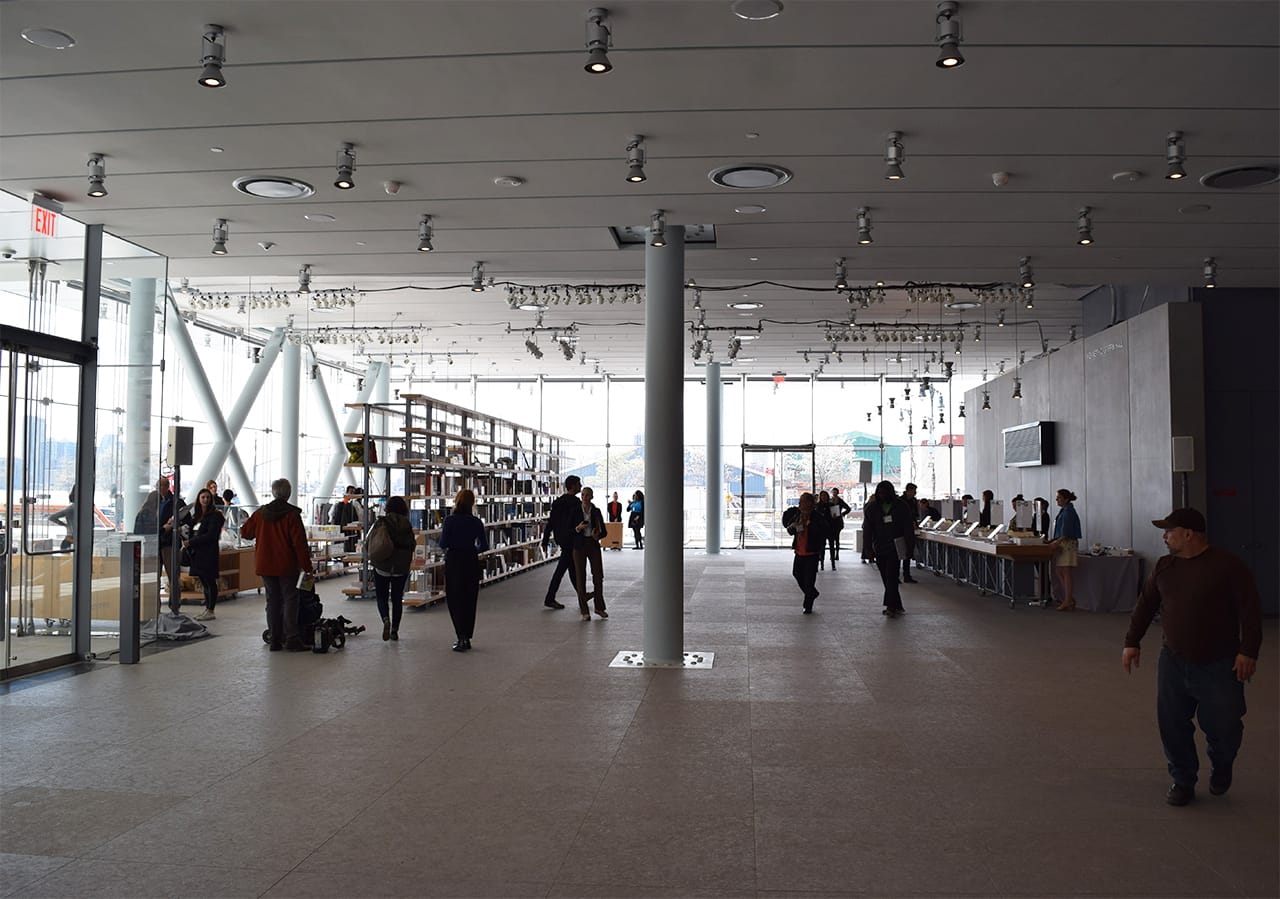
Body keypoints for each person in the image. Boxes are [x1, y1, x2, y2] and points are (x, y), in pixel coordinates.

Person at [1122, 508, 1262, 807]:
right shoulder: (1164, 566)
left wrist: (1248, 651)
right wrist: (1131, 642)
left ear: (1188, 534)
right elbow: (1146, 605)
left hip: (1220, 663)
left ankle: (1222, 766)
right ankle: (1182, 780)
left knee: (1225, 727)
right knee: (1172, 725)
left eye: (1169, 531)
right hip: (1173, 660)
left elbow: (1250, 612)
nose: (1164, 536)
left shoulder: (1228, 566)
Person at [240, 478, 313, 652]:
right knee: (290, 599)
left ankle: (275, 638)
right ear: (289, 493)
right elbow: (299, 544)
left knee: (272, 600)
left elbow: (245, 532)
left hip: (265, 564)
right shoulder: (292, 515)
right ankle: (292, 638)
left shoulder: (260, 513)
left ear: (273, 492)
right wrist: (307, 567)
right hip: (286, 565)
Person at [438, 488, 486, 651]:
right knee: (469, 599)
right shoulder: (476, 522)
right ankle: (467, 636)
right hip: (471, 560)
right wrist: (472, 550)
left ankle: (461, 637)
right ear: (472, 503)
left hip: (454, 560)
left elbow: (443, 543)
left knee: (454, 599)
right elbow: (484, 545)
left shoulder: (450, 521)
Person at [862, 480, 912, 618]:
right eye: (880, 492)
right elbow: (867, 529)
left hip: (896, 546)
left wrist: (910, 547)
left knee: (892, 576)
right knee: (886, 576)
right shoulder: (872, 508)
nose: (882, 494)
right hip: (879, 546)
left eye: (884, 492)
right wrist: (868, 549)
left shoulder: (901, 506)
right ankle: (897, 604)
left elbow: (908, 528)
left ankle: (890, 606)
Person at [372, 495, 417, 642]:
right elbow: (412, 545)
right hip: (401, 566)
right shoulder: (407, 524)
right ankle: (394, 631)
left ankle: (385, 619)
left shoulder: (382, 522)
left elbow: (372, 540)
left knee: (381, 596)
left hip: (383, 564)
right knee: (397, 598)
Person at [782, 492, 829, 613]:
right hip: (799, 551)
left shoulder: (817, 517)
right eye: (800, 501)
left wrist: (810, 525)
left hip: (811, 553)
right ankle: (812, 593)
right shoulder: (798, 515)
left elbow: (823, 531)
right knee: (797, 574)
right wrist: (794, 526)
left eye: (803, 502)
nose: (801, 504)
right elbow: (790, 530)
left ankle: (808, 605)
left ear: (810, 503)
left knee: (809, 580)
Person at [540, 475, 581, 609]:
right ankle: (550, 598)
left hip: (561, 539)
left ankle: (582, 596)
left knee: (571, 569)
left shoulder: (558, 502)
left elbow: (550, 522)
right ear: (573, 485)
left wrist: (545, 540)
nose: (580, 486)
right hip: (571, 538)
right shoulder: (576, 503)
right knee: (564, 570)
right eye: (578, 484)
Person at [185, 488, 225, 621]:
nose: (205, 500)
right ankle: (207, 608)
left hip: (208, 553)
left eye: (208, 497)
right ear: (199, 499)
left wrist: (191, 542)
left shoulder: (215, 516)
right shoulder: (196, 516)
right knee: (203, 580)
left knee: (210, 580)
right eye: (203, 497)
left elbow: (211, 535)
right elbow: (190, 529)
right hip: (197, 553)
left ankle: (210, 609)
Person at [572, 486, 608, 621]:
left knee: (598, 576)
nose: (584, 498)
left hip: (593, 544)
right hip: (579, 546)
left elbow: (604, 532)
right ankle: (584, 611)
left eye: (587, 495)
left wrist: (597, 536)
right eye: (582, 495)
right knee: (580, 577)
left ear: (592, 497)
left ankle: (599, 607)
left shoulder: (596, 512)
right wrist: (578, 528)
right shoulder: (575, 511)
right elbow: (569, 529)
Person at [1047, 488, 1082, 611]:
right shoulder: (1064, 511)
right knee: (1059, 571)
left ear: (1066, 499)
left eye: (1059, 497)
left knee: (1066, 572)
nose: (1057, 500)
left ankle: (1068, 600)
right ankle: (1069, 598)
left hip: (1067, 544)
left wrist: (1056, 542)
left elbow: (1066, 532)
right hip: (1063, 543)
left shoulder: (1068, 512)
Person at [332, 485, 362, 552]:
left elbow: (356, 518)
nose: (352, 494)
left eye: (353, 492)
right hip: (342, 529)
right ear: (347, 492)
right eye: (351, 492)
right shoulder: (340, 505)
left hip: (349, 530)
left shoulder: (352, 505)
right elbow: (336, 519)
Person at [827, 487, 851, 569]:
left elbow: (848, 508)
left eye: (835, 492)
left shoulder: (840, 501)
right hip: (831, 521)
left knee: (836, 538)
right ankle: (833, 554)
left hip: (837, 522)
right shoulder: (829, 500)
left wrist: (842, 514)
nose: (834, 494)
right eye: (833, 492)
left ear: (837, 493)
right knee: (831, 538)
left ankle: (836, 553)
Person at [900, 483, 920, 583]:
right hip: (901, 530)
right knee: (900, 552)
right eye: (913, 491)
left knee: (908, 552)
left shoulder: (914, 501)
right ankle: (896, 575)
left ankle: (906, 575)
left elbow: (915, 514)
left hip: (910, 530)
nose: (915, 493)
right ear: (908, 490)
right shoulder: (900, 501)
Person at [47, 485, 77, 551]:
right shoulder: (74, 508)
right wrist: (65, 525)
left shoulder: (71, 508)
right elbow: (51, 517)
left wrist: (65, 525)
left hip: (70, 536)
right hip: (75, 537)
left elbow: (52, 517)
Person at [815, 491, 833, 571]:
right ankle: (821, 563)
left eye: (825, 496)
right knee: (822, 547)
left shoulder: (831, 505)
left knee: (832, 546)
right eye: (822, 496)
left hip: (830, 528)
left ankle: (833, 563)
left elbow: (835, 516)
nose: (824, 497)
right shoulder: (817, 506)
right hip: (822, 529)